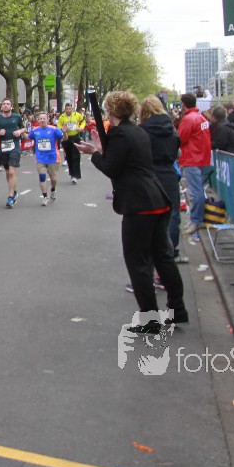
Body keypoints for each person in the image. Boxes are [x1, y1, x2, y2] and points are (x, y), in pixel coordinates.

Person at [76, 91, 187, 334]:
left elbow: (111, 168)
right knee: (163, 257)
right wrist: (101, 148)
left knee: (138, 263)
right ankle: (177, 309)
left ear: (111, 110)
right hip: (157, 198)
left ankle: (150, 319)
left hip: (139, 204)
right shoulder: (137, 131)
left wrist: (94, 153)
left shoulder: (120, 134)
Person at [139, 95, 186, 264]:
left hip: (149, 177)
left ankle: (151, 262)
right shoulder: (171, 129)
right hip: (169, 175)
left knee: (149, 221)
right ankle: (170, 255)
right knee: (171, 217)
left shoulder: (142, 131)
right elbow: (178, 153)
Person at [177, 93, 212, 243]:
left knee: (196, 192)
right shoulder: (201, 118)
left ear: (183, 104)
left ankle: (196, 221)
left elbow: (180, 138)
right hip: (201, 158)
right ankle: (197, 219)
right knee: (198, 191)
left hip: (192, 158)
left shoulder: (189, 119)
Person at [0, 99, 26, 207]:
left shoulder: (17, 117)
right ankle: (14, 191)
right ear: (1, 107)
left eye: (8, 104)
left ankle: (10, 197)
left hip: (15, 147)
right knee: (7, 173)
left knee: (11, 172)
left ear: (11, 106)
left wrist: (19, 131)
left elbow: (24, 128)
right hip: (3, 148)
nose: (5, 106)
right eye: (4, 104)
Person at [27, 111, 64, 206]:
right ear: (38, 120)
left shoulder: (54, 129)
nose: (42, 120)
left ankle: (53, 190)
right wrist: (21, 132)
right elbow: (28, 137)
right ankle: (45, 197)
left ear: (48, 120)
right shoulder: (35, 130)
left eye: (44, 118)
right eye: (40, 119)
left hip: (52, 157)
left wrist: (65, 132)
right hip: (41, 158)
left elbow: (64, 138)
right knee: (42, 175)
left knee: (53, 178)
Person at [56, 102, 87, 184]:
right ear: (64, 109)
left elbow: (83, 121)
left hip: (75, 137)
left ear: (72, 109)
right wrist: (63, 129)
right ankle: (72, 174)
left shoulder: (77, 115)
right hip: (66, 138)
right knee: (69, 157)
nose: (68, 110)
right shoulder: (62, 117)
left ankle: (75, 175)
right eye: (67, 109)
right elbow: (58, 126)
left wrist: (81, 127)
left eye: (69, 109)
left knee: (75, 156)